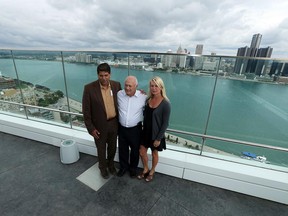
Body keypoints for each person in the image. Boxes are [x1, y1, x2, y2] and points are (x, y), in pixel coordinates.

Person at [82, 63, 121, 179]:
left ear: (110, 74)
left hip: (114, 123)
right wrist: (91, 128)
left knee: (113, 148)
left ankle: (111, 165)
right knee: (101, 149)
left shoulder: (116, 85)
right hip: (98, 126)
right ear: (97, 75)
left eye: (106, 75)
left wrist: (140, 93)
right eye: (101, 75)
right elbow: (86, 111)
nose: (103, 78)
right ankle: (102, 168)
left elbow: (125, 98)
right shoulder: (89, 88)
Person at [137, 76, 171, 182]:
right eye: (152, 86)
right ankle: (146, 168)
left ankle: (152, 171)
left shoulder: (166, 104)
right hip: (145, 132)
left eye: (156, 86)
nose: (154, 88)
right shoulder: (148, 99)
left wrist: (158, 138)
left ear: (161, 87)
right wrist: (140, 93)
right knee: (142, 151)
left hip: (156, 134)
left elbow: (165, 123)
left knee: (154, 153)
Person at [117, 76, 147, 178]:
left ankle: (133, 169)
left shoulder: (143, 97)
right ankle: (123, 167)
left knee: (135, 151)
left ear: (136, 86)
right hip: (122, 129)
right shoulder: (119, 94)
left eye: (130, 86)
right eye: (126, 85)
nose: (127, 88)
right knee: (122, 150)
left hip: (135, 129)